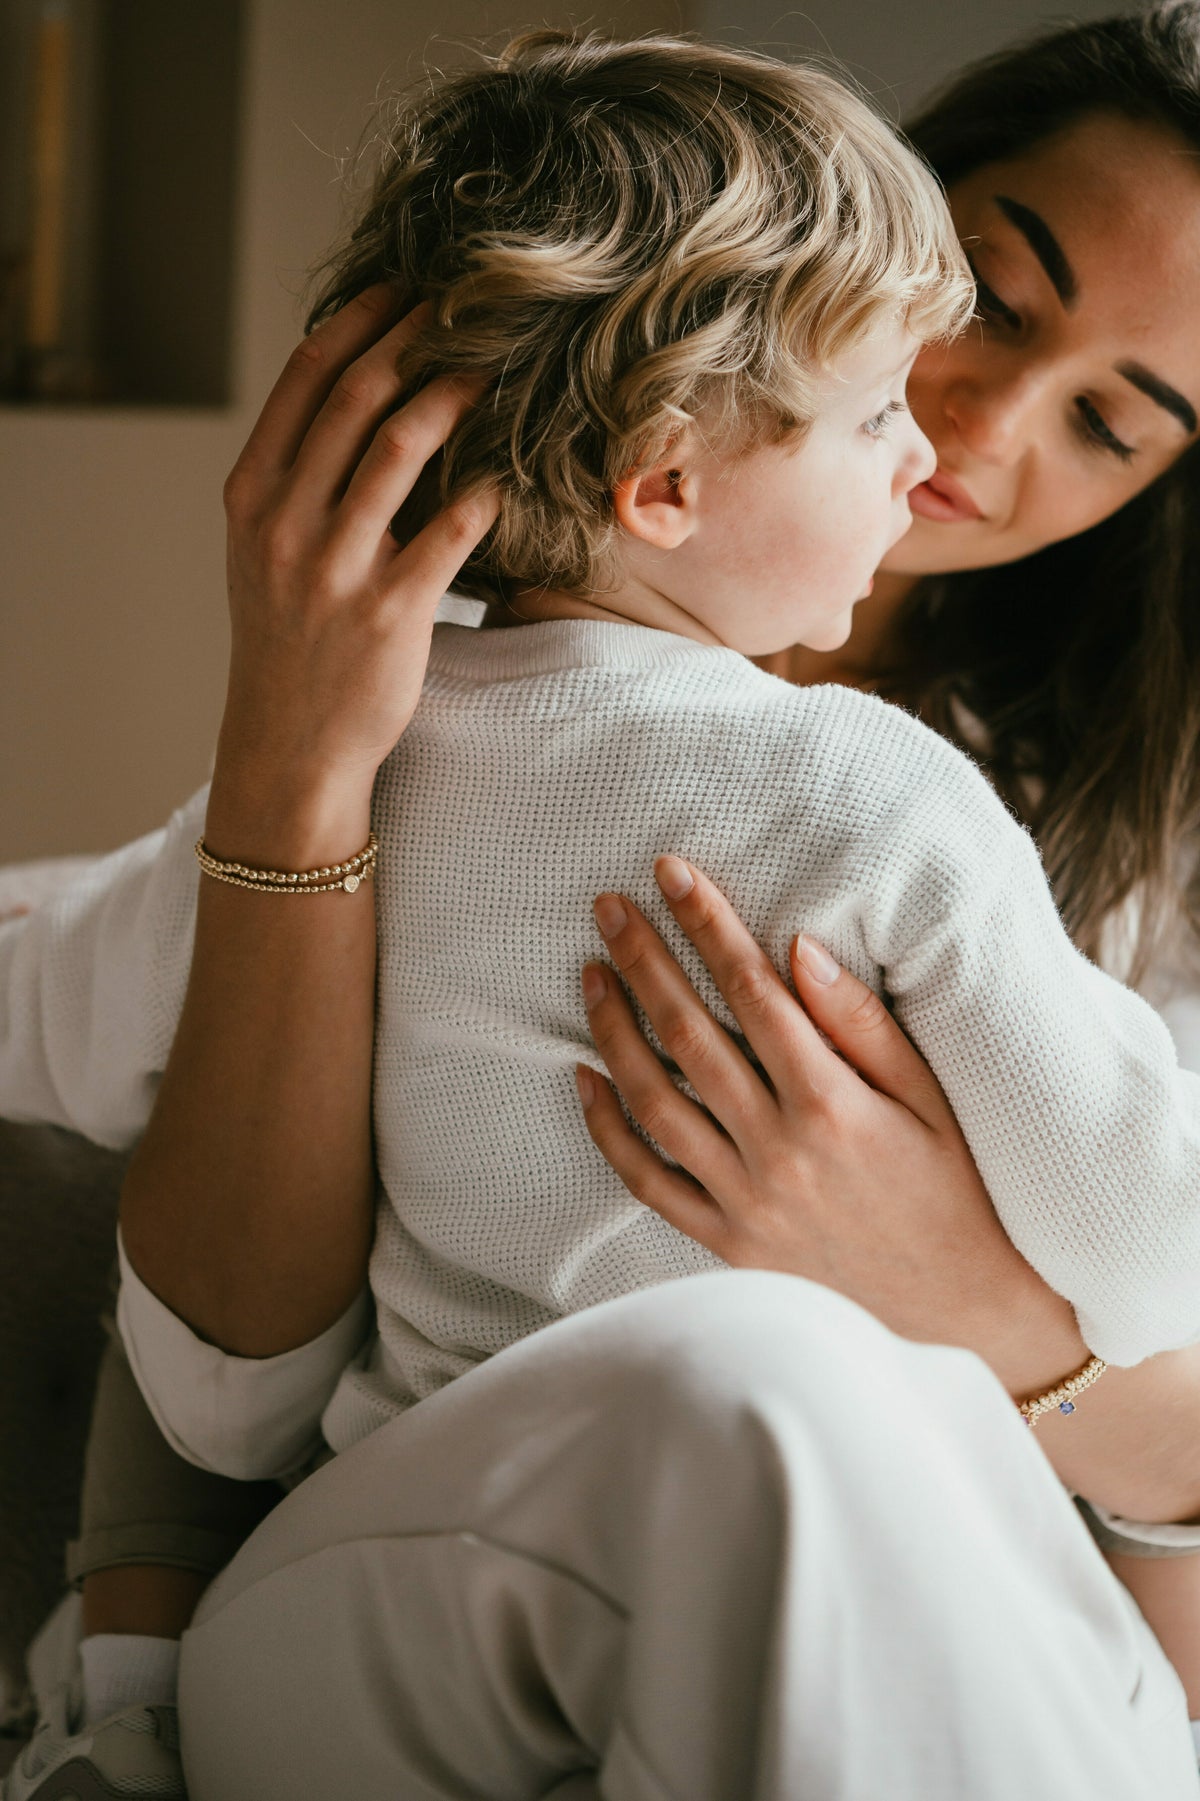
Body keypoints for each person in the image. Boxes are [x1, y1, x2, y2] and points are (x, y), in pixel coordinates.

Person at [4, 20, 1200, 1801]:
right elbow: (217, 1383)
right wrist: (289, 775)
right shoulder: (397, 731)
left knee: (810, 1395)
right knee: (766, 1380)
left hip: (935, 1629)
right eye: (989, 307)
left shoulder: (1057, 844)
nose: (974, 422)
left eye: (1110, 419)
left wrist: (972, 1299)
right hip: (448, 1593)